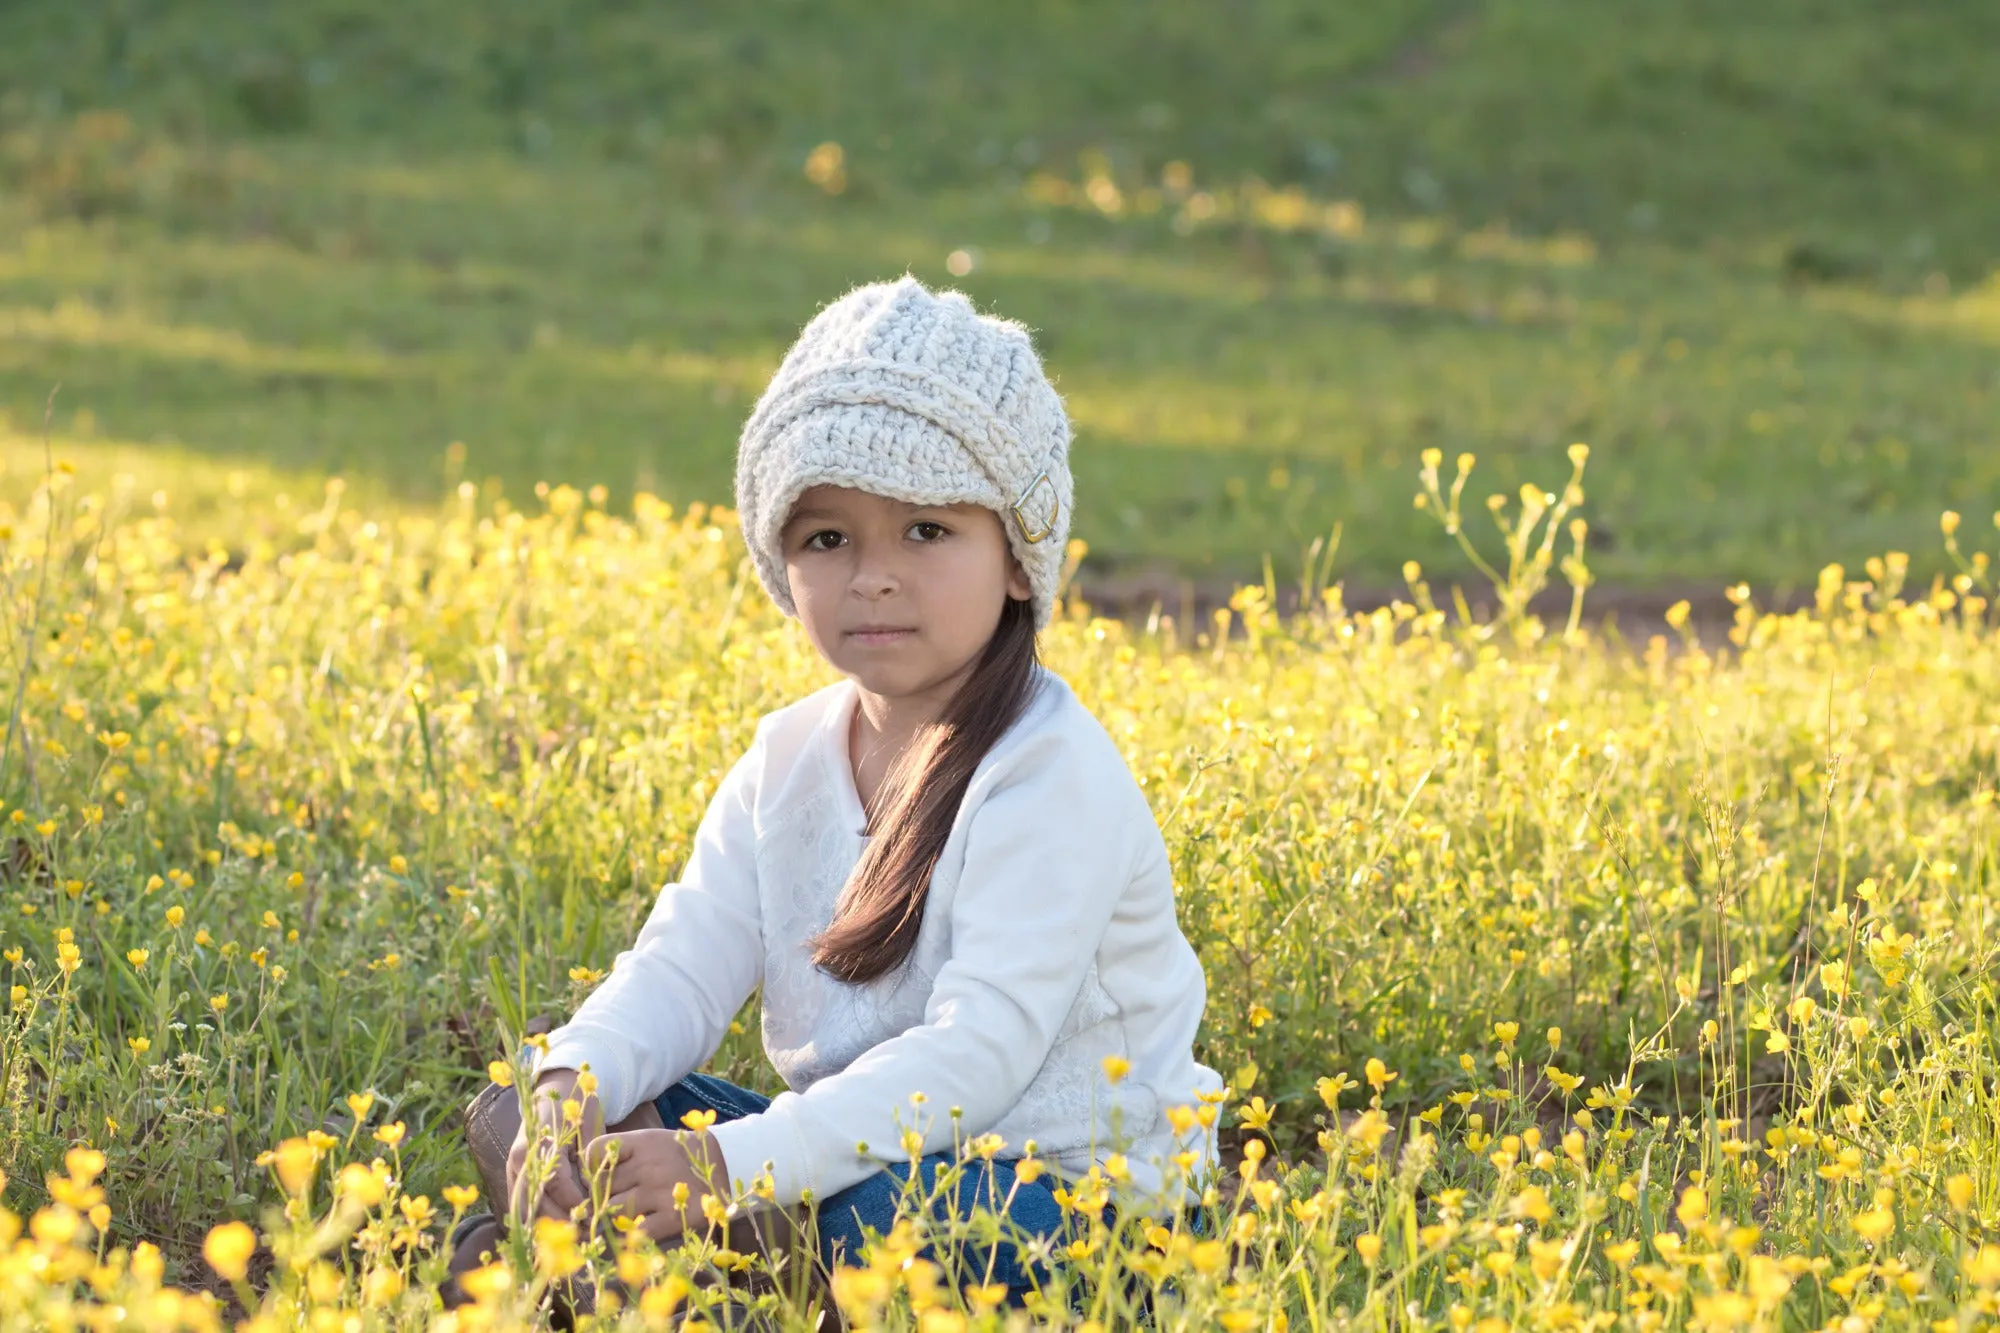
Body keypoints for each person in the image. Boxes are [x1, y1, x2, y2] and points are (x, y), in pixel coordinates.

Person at [447, 276, 1222, 1305]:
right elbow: (679, 967)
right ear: (781, 557)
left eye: (925, 532)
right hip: (855, 1152)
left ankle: (652, 1278)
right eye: (827, 538)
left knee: (875, 1215)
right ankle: (661, 1268)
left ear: (1019, 560)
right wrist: (572, 1086)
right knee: (541, 1112)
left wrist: (728, 1167)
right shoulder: (787, 759)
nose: (873, 575)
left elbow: (975, 1057)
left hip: (1081, 1206)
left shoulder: (1049, 773)